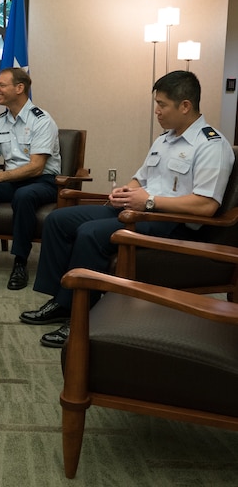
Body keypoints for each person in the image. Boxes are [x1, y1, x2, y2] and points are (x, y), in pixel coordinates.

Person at [21, 70, 235, 348]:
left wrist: (148, 202)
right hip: (141, 210)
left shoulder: (211, 145)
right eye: (156, 103)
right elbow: (141, 178)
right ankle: (63, 301)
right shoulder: (164, 139)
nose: (156, 111)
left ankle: (80, 316)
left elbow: (206, 206)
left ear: (185, 106)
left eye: (162, 105)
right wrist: (125, 190)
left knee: (90, 233)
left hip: (174, 223)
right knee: (59, 219)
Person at [0, 68, 61, 290]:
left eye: (1, 85)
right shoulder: (1, 121)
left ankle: (20, 262)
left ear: (19, 88)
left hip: (43, 181)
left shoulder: (42, 120)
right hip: (13, 180)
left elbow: (36, 168)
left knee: (24, 195)